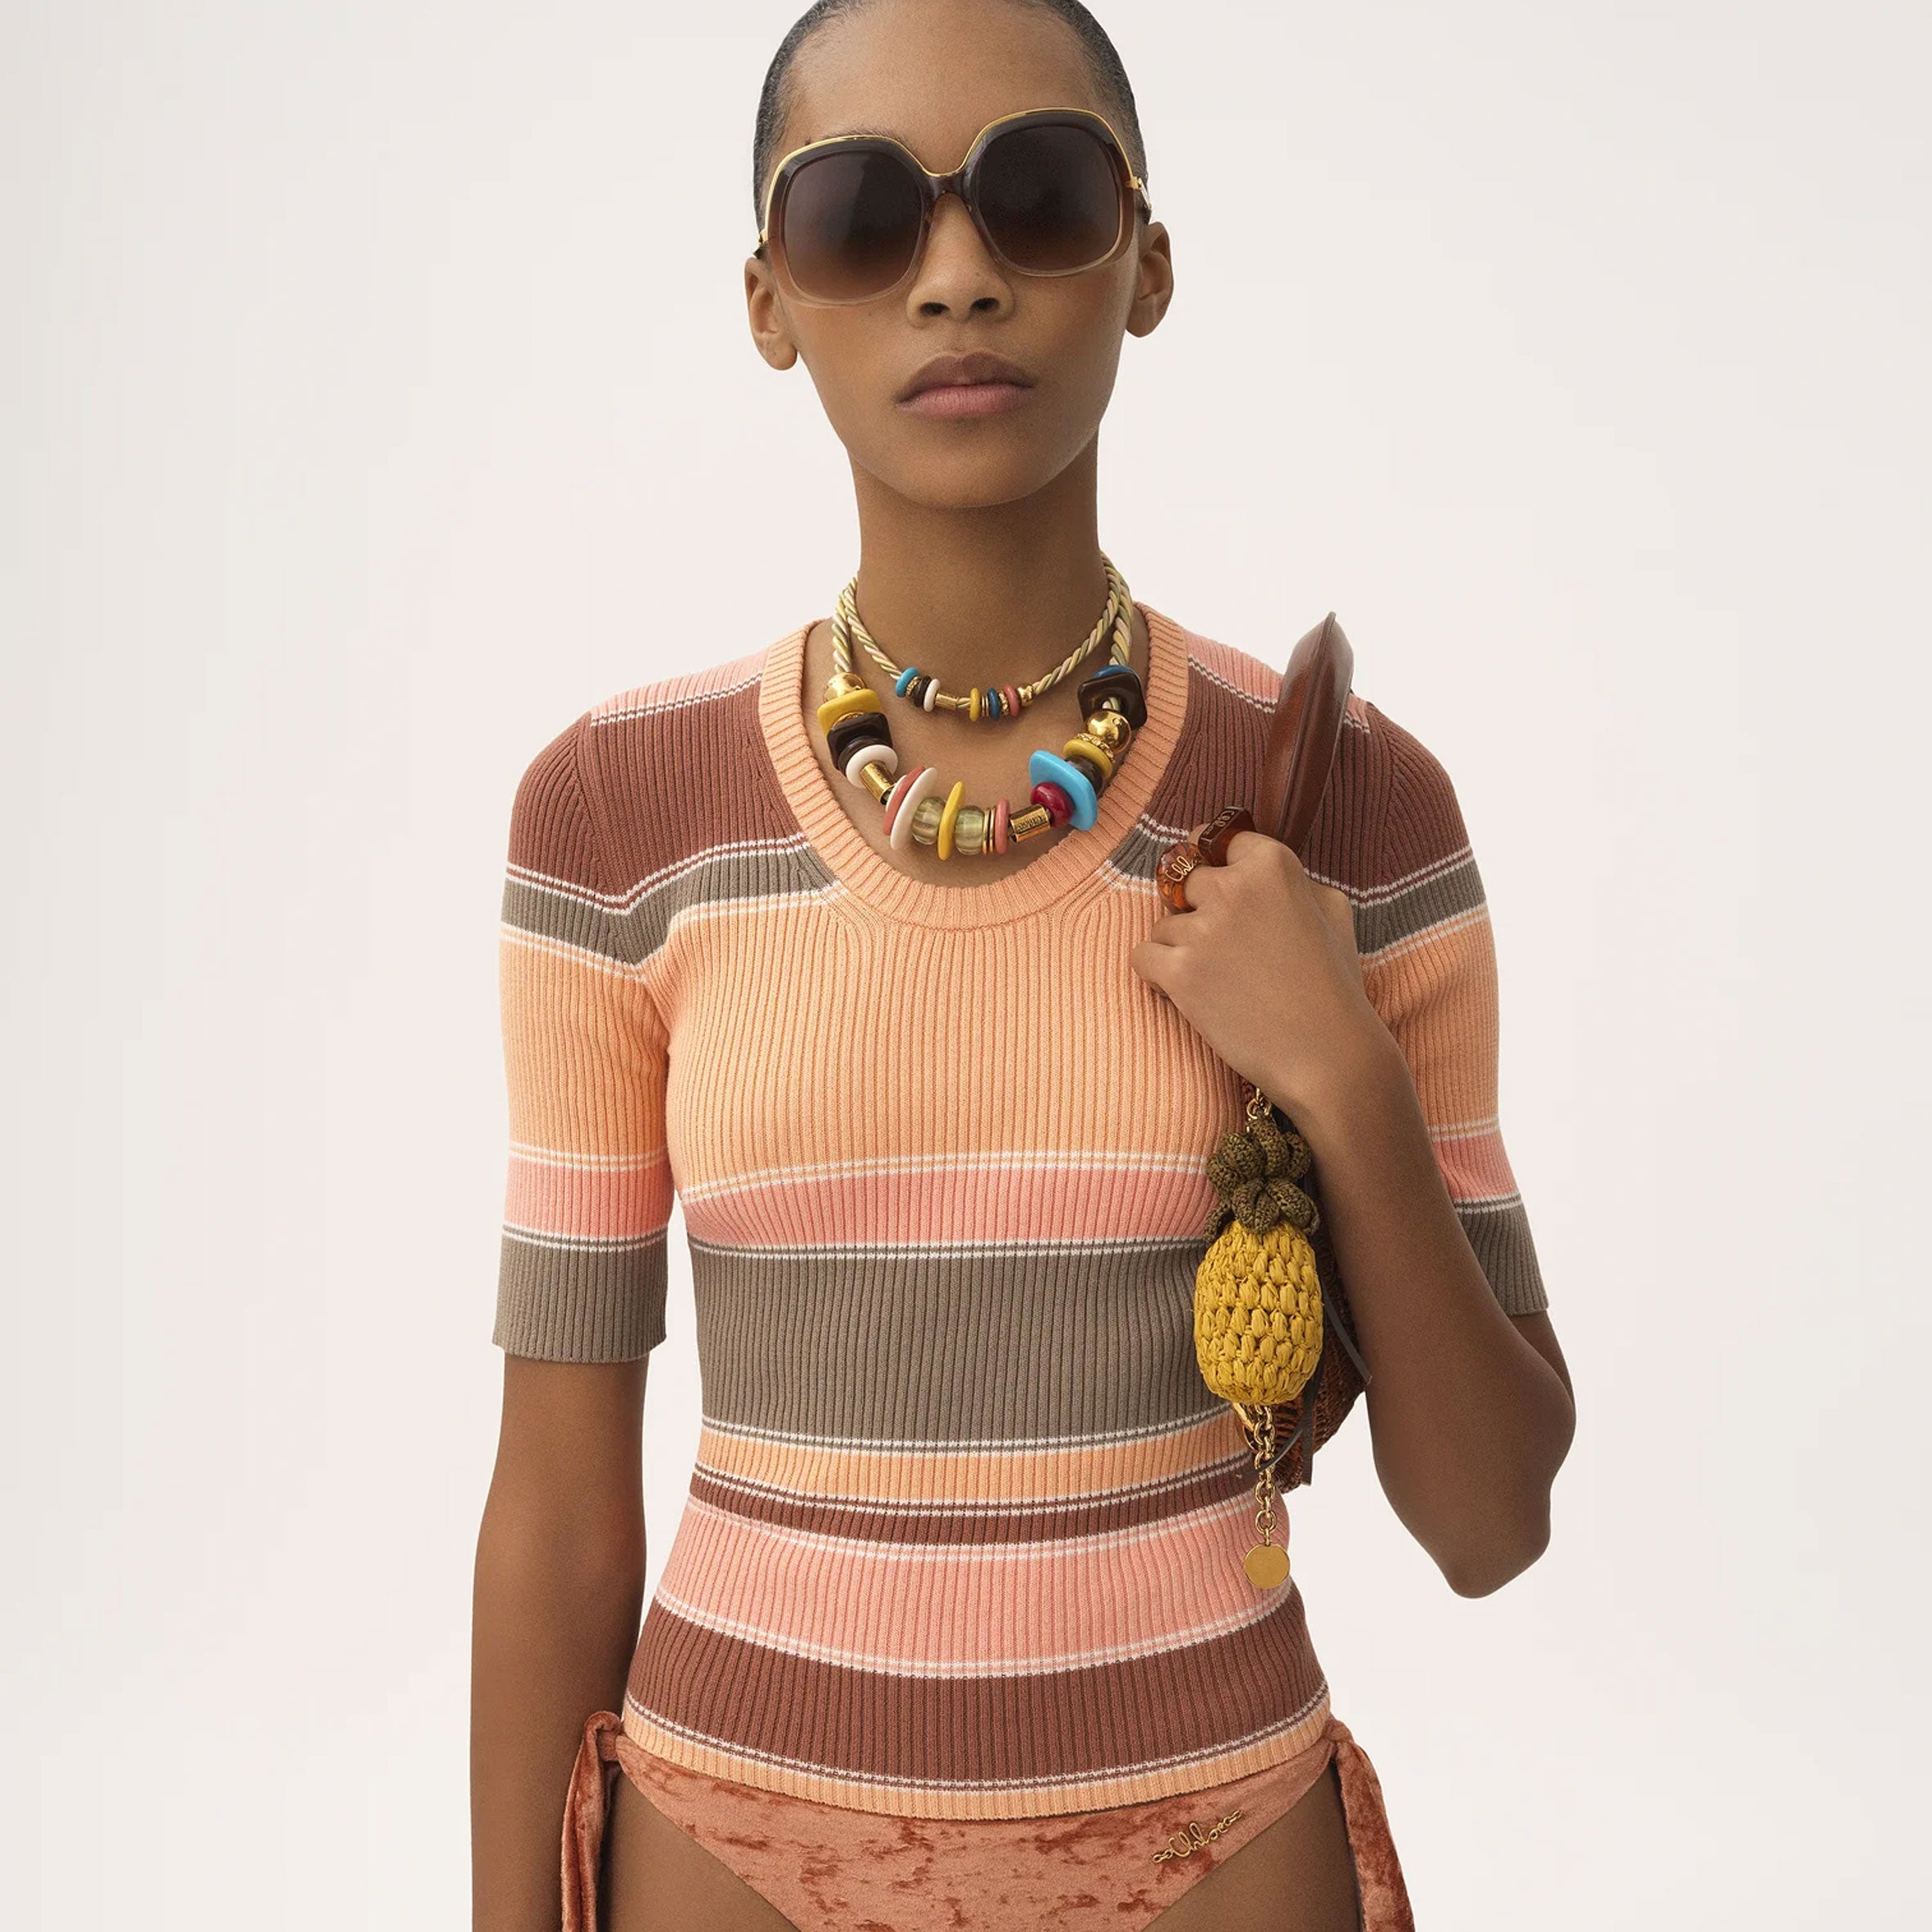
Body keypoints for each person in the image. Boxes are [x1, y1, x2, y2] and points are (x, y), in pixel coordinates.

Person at [470, 2, 1576, 1928]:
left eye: (1039, 195)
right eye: (859, 217)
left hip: (1213, 1839)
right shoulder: (615, 811)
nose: (957, 274)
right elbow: (561, 1506)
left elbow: (1486, 1519)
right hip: (731, 1845)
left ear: (1144, 261)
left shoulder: (1344, 797)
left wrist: (1338, 1074)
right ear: (767, 298)